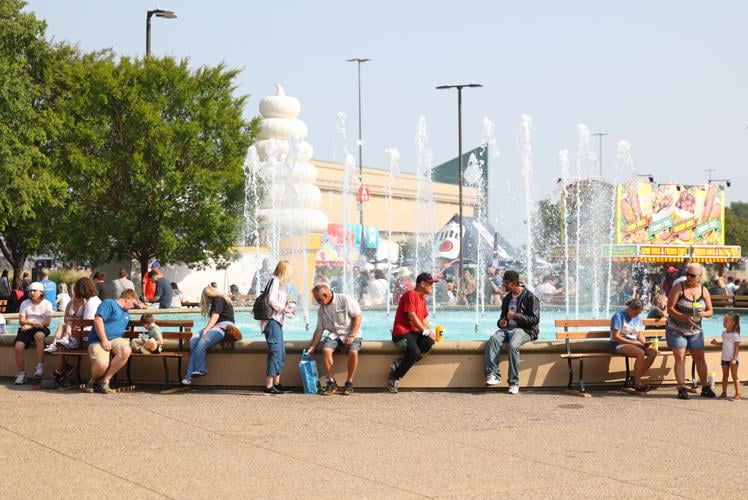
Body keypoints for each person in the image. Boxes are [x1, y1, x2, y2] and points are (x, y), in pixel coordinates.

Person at [484, 270, 540, 394]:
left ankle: (514, 382)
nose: (503, 285)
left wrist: (515, 316)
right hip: (508, 329)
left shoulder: (530, 297)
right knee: (494, 338)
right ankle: (493, 375)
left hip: (525, 330)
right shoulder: (507, 298)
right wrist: (501, 322)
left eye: (506, 283)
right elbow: (502, 317)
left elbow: (535, 320)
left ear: (514, 283)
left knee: (513, 345)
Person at [666, 262, 716, 400]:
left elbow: (711, 311)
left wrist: (701, 314)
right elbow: (670, 308)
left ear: (699, 276)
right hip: (676, 328)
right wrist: (683, 316)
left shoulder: (704, 290)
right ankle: (682, 388)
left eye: (692, 275)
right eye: (687, 274)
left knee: (700, 358)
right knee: (680, 357)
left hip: (695, 330)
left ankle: (705, 387)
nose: (688, 278)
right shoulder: (678, 287)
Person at [306, 283, 362, 395]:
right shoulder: (321, 310)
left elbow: (357, 317)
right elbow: (319, 330)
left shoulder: (345, 300)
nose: (318, 303)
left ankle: (349, 382)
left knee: (353, 352)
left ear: (326, 295)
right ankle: (331, 382)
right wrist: (312, 347)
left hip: (351, 333)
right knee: (326, 350)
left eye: (319, 299)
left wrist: (351, 335)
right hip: (335, 335)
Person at [387, 272, 439, 394]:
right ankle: (394, 377)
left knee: (429, 343)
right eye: (430, 284)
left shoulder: (422, 298)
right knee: (415, 353)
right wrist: (425, 331)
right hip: (401, 333)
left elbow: (423, 319)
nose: (432, 286)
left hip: (413, 333)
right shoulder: (410, 294)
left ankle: (400, 363)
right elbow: (412, 316)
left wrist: (431, 332)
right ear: (422, 284)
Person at [87, 289, 139, 394]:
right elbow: (98, 320)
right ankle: (92, 381)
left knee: (125, 350)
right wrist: (104, 340)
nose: (133, 306)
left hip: (116, 339)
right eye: (133, 302)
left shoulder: (126, 314)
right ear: (127, 298)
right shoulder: (109, 303)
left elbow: (131, 330)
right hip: (98, 339)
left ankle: (105, 381)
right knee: (101, 364)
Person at [181, 287, 236, 385]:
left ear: (207, 296)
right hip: (216, 326)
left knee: (202, 341)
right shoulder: (218, 299)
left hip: (224, 326)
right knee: (193, 340)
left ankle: (190, 375)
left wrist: (206, 330)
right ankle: (200, 368)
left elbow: (215, 316)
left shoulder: (218, 299)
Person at [259, 260, 294, 395]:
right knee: (275, 352)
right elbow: (271, 300)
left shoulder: (280, 284)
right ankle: (268, 386)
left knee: (281, 353)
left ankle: (277, 383)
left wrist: (287, 304)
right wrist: (284, 309)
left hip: (277, 322)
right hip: (271, 321)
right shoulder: (274, 281)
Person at [610, 298, 658, 392]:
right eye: (636, 313)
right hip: (619, 344)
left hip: (635, 343)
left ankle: (635, 378)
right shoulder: (618, 316)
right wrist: (633, 343)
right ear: (630, 309)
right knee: (640, 353)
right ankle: (637, 383)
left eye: (639, 313)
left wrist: (644, 342)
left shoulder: (637, 318)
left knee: (653, 352)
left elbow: (639, 334)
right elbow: (616, 337)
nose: (637, 315)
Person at [13, 282, 53, 384]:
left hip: (40, 327)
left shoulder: (47, 304)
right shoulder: (25, 303)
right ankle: (21, 374)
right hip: (27, 328)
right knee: (18, 347)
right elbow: (21, 321)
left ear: (41, 292)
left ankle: (40, 366)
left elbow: (47, 323)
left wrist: (31, 324)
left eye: (34, 290)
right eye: (30, 290)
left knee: (39, 336)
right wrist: (31, 324)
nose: (31, 292)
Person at [710, 312, 741, 401]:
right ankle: (724, 392)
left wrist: (734, 359)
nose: (724, 322)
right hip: (724, 358)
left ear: (733, 323)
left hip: (733, 359)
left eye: (726, 321)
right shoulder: (724, 333)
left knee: (734, 376)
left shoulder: (735, 335)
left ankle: (738, 394)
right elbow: (725, 344)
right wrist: (716, 343)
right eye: (724, 321)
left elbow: (736, 348)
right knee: (725, 376)